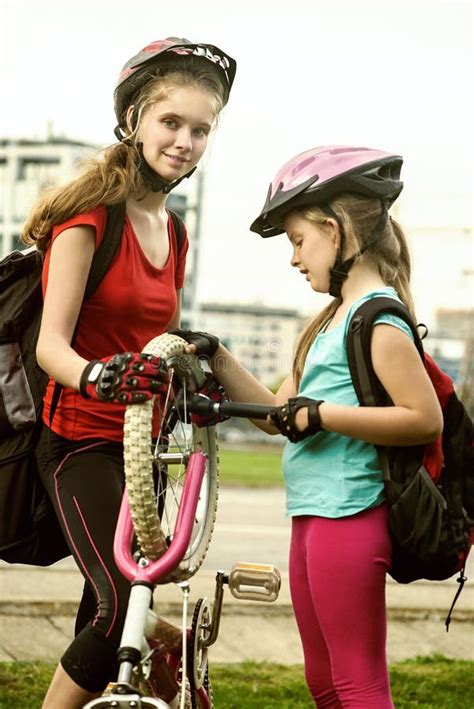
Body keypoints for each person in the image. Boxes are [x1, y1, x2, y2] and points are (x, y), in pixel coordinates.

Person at [175, 146, 443, 708]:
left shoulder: (377, 316)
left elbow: (423, 419)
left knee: (358, 682)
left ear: (333, 228)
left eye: (299, 241)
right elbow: (278, 418)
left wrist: (322, 414)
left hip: (351, 512)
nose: (295, 259)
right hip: (312, 514)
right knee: (323, 683)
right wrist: (218, 356)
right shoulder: (329, 321)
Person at [21, 37, 236, 709]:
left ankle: (162, 653)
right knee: (118, 611)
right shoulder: (90, 216)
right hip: (79, 440)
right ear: (135, 119)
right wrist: (99, 376)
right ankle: (161, 648)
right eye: (171, 122)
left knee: (113, 612)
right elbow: (51, 347)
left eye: (201, 129)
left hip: (144, 452)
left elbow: (155, 339)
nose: (185, 140)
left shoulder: (173, 232)